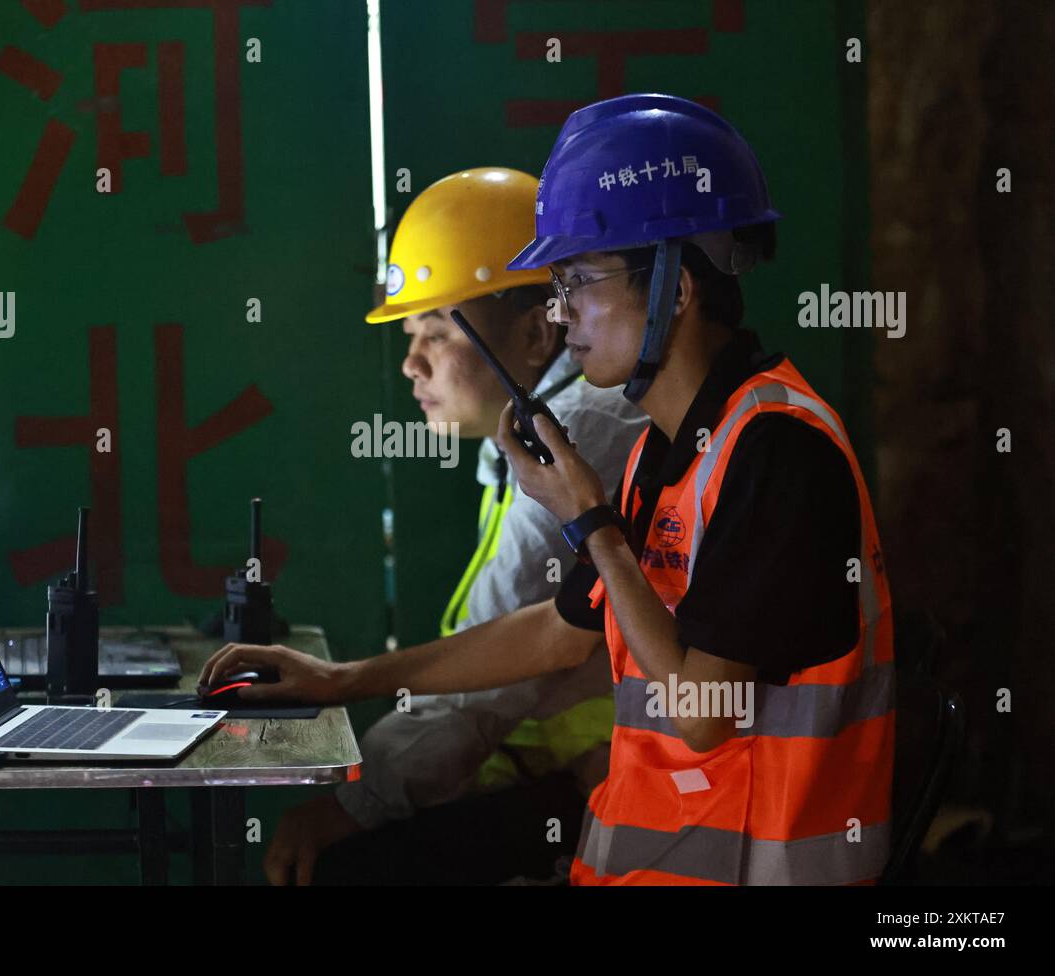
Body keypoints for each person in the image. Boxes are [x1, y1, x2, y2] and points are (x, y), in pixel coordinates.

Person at [207, 94, 895, 885]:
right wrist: (345, 679)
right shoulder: (669, 450)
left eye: (579, 280)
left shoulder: (778, 448)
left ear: (675, 290)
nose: (560, 313)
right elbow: (558, 632)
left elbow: (705, 715)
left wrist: (592, 522)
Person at [265, 167, 646, 885]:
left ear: (537, 333)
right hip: (563, 774)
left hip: (608, 786)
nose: (411, 364)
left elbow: (487, 690)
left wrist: (356, 804)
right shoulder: (528, 433)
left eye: (436, 333)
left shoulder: (572, 431)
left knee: (346, 866)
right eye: (410, 334)